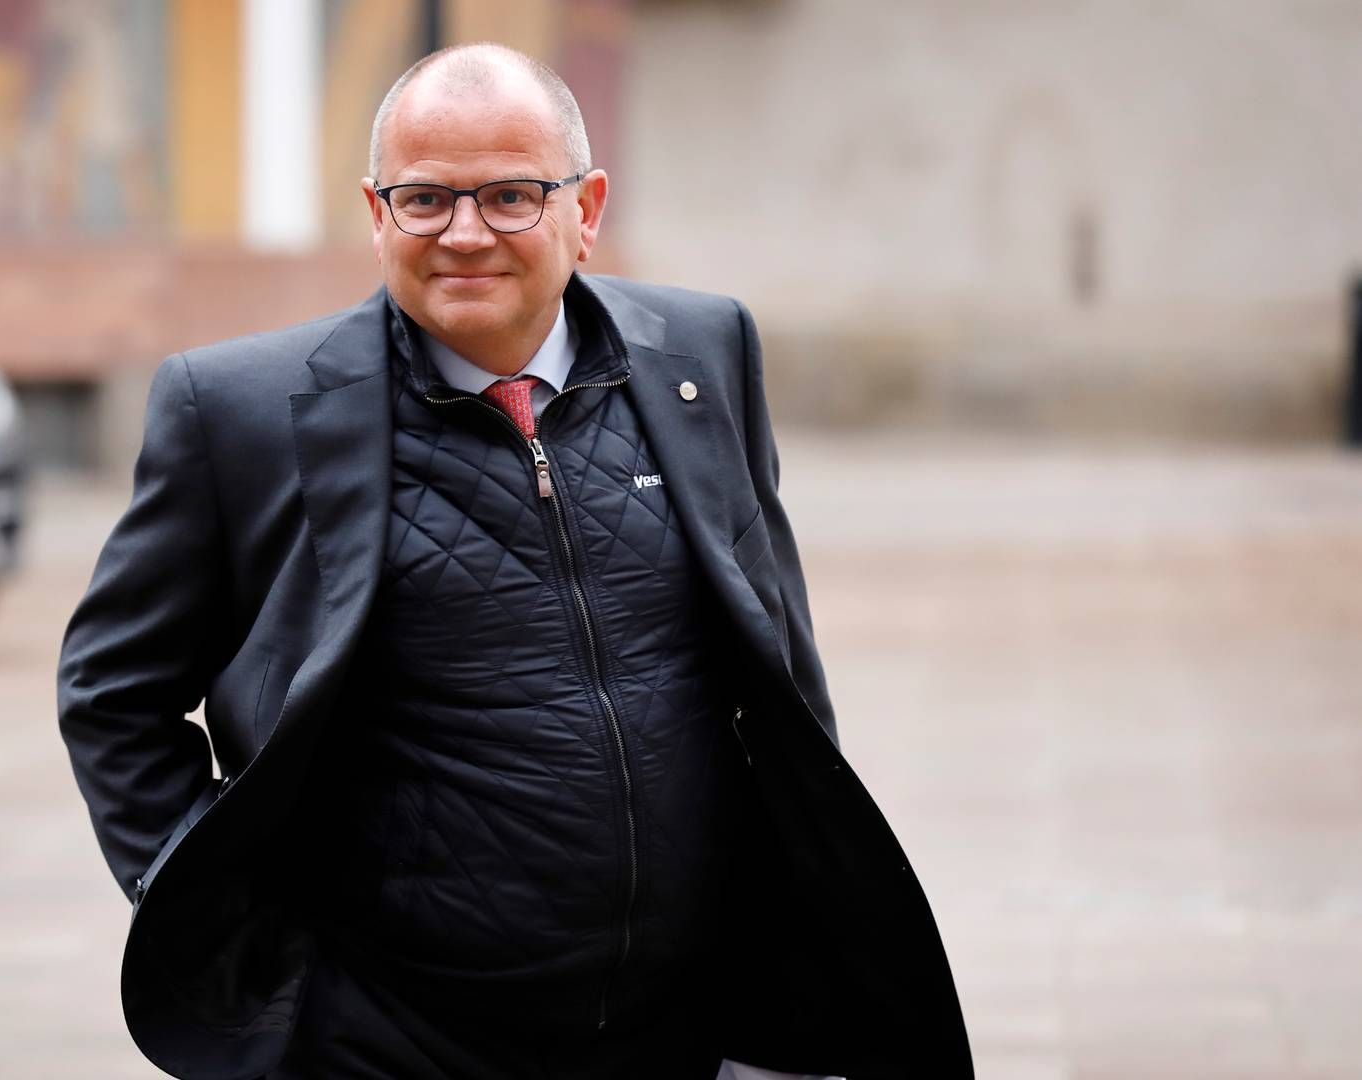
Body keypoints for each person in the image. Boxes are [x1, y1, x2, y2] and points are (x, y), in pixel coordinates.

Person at [58, 42, 970, 1080]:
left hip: (685, 1027)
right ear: (376, 214)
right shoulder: (239, 413)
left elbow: (780, 660)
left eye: (509, 195)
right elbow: (112, 692)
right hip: (392, 1041)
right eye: (424, 199)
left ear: (586, 209)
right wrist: (245, 956)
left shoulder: (702, 353)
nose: (464, 234)